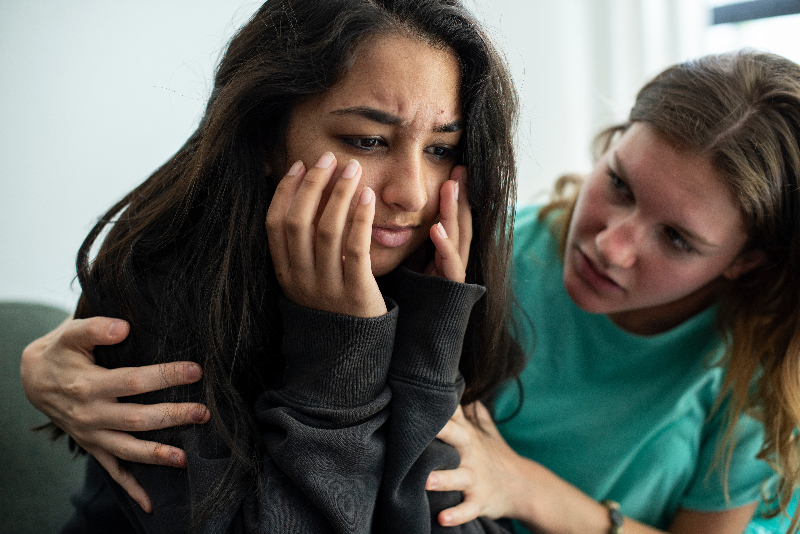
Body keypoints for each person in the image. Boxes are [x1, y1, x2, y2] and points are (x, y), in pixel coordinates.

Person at [19, 0, 525, 532]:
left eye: (441, 149)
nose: (411, 194)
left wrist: (429, 350)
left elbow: (437, 517)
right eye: (368, 141)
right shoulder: (161, 286)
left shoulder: (432, 276)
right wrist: (340, 354)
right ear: (265, 136)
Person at [424, 50, 800, 534]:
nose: (609, 246)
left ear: (745, 263)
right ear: (611, 143)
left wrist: (524, 487)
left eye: (677, 238)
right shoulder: (486, 254)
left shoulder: (757, 368)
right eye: (620, 184)